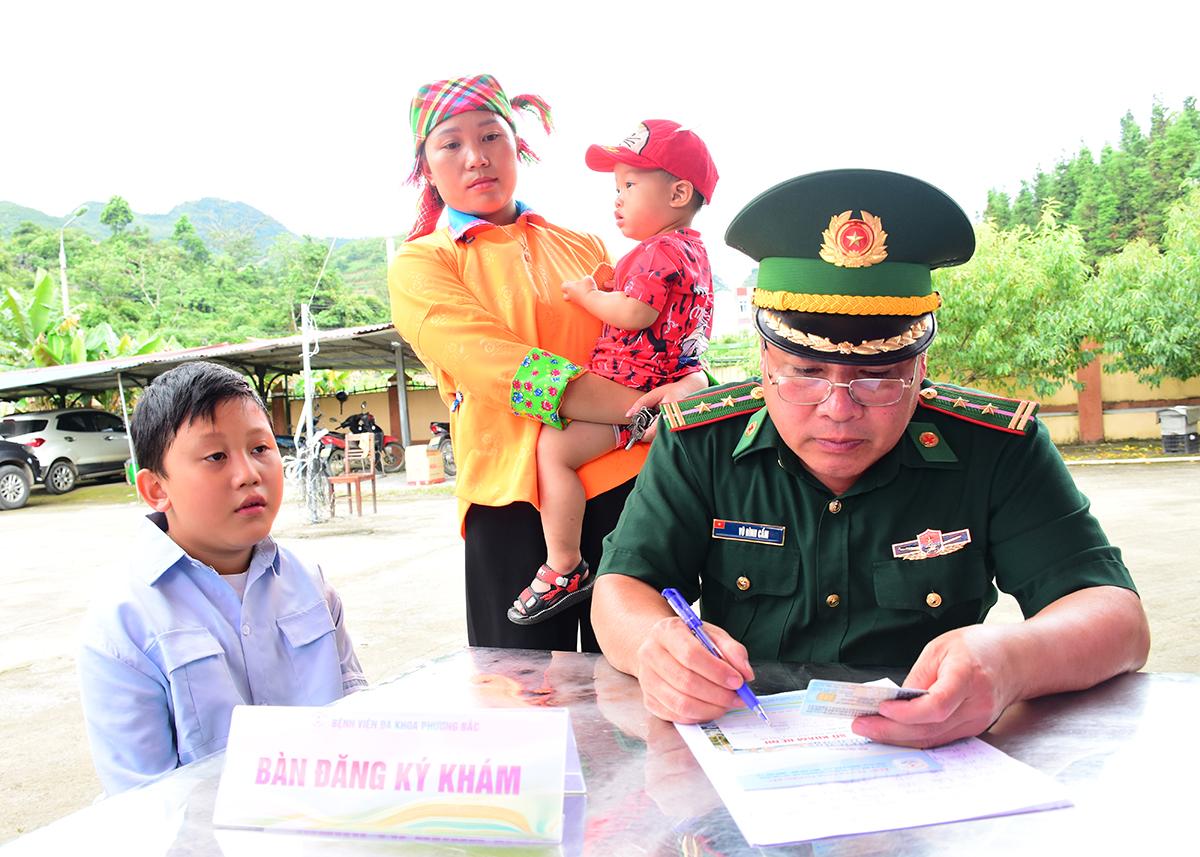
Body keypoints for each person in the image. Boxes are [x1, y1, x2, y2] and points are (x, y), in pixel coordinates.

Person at [592, 169, 1150, 749]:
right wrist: (653, 645)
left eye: (878, 379)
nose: (838, 409)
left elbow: (1117, 621)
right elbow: (625, 583)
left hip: (938, 758)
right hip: (752, 753)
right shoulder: (700, 442)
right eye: (806, 373)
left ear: (920, 370)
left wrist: (1011, 660)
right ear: (764, 362)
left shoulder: (997, 448)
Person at [387, 74, 707, 651]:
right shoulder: (421, 265)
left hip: (624, 484)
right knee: (523, 696)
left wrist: (692, 381)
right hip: (509, 496)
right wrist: (643, 409)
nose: (476, 158)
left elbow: (657, 332)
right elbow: (503, 370)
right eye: (451, 144)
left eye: (491, 137)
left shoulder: (585, 246)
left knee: (640, 682)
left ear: (518, 147)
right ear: (425, 166)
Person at [78, 361, 366, 795]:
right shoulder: (124, 625)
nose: (249, 473)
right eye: (216, 456)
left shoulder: (312, 586)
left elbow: (359, 728)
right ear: (157, 489)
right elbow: (142, 803)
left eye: (260, 449)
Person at [507, 120, 717, 626]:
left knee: (551, 449)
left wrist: (587, 295)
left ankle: (563, 563)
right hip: (660, 384)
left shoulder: (656, 250)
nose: (617, 198)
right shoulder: (694, 252)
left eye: (629, 185)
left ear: (679, 192)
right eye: (616, 187)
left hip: (628, 386)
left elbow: (635, 312)